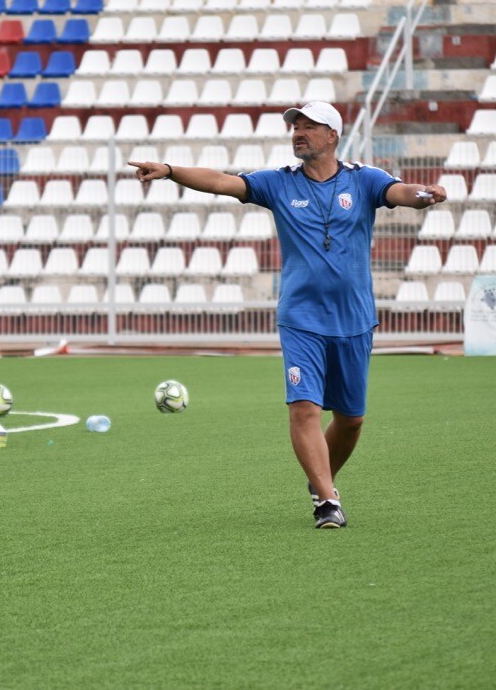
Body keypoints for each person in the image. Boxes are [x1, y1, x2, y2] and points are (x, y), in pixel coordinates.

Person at [130, 101, 446, 529]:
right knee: (304, 409)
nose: (297, 132)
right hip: (301, 317)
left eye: (308, 126)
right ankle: (327, 502)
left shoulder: (364, 179)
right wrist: (170, 170)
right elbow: (222, 182)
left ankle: (321, 480)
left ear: (332, 135)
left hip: (355, 317)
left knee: (351, 420)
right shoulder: (278, 184)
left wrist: (424, 195)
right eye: (294, 126)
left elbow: (401, 192)